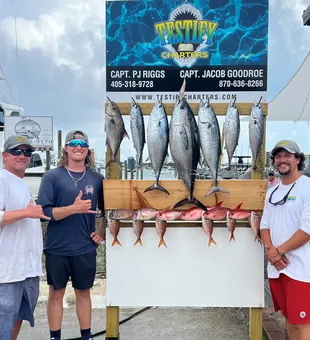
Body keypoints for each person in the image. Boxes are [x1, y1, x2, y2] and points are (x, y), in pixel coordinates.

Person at [37, 130, 105, 340]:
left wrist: (101, 232)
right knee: (56, 294)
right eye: (74, 143)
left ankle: (87, 336)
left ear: (88, 150)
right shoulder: (51, 177)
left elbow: (106, 210)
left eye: (83, 143)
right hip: (57, 247)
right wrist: (72, 209)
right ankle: (54, 337)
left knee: (84, 293)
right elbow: (44, 213)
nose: (78, 147)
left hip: (84, 247)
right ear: (65, 148)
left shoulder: (97, 178)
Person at [0, 135, 50, 340]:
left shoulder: (20, 183)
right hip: (8, 272)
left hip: (26, 270)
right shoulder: (2, 179)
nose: (22, 156)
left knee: (18, 318)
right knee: (4, 321)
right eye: (16, 151)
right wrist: (26, 213)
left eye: (27, 152)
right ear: (4, 155)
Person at [260, 140, 310, 340]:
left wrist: (277, 251)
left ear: (298, 159)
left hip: (301, 270)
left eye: (288, 155)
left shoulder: (307, 186)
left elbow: (307, 229)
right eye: (278, 156)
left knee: (302, 324)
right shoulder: (272, 191)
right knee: (289, 319)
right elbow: (265, 224)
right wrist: (271, 251)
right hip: (277, 268)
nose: (282, 160)